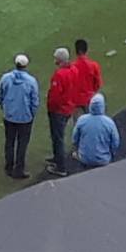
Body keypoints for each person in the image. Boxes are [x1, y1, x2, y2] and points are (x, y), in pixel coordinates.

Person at [0, 55, 40, 179]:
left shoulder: (6, 78)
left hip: (9, 115)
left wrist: (4, 107)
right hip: (25, 117)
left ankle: (9, 166)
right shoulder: (31, 81)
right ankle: (19, 169)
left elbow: (0, 94)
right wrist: (32, 113)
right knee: (22, 143)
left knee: (9, 141)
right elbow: (34, 100)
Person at [45, 43, 81, 176]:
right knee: (57, 137)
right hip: (69, 107)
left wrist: (51, 108)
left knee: (58, 137)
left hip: (59, 110)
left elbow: (55, 96)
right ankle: (57, 158)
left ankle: (60, 167)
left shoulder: (59, 74)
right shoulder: (74, 70)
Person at [70, 94, 121, 170]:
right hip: (103, 161)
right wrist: (112, 154)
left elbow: (74, 139)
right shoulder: (109, 122)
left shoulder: (82, 119)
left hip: (84, 159)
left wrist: (77, 151)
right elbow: (115, 143)